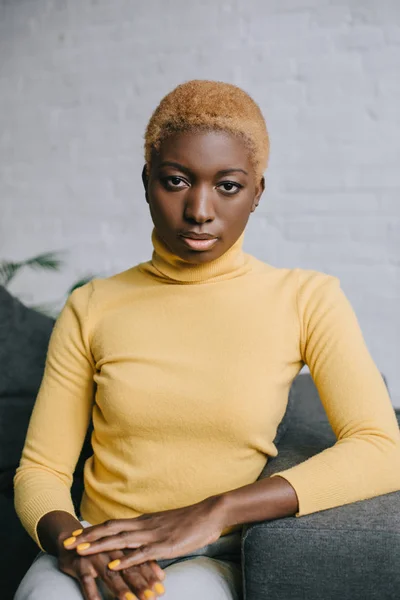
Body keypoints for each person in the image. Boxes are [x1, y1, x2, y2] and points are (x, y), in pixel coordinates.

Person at [14, 80, 400, 600]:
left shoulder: (307, 298)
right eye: (176, 181)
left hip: (206, 556)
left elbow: (381, 449)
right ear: (147, 181)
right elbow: (40, 469)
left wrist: (215, 511)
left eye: (228, 186)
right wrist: (76, 543)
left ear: (257, 192)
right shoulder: (93, 305)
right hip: (92, 544)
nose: (199, 209)